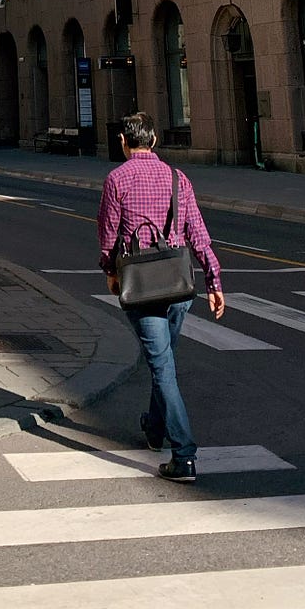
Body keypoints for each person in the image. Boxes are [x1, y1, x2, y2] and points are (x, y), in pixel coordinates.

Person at [98, 112, 225, 482]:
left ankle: (183, 454)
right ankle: (154, 429)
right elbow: (198, 234)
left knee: (162, 365)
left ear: (124, 140)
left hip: (142, 286)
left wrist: (110, 271)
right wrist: (214, 282)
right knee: (163, 360)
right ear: (153, 141)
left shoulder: (116, 179)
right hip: (178, 285)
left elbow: (108, 235)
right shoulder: (178, 178)